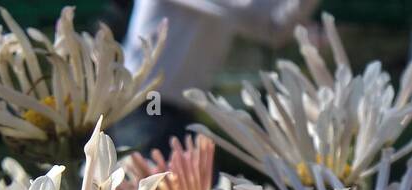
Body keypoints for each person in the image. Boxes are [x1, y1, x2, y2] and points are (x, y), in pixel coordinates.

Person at [116, 0, 317, 153]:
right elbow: (259, 16)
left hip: (180, 111)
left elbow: (274, 29)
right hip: (148, 103)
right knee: (145, 188)